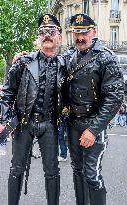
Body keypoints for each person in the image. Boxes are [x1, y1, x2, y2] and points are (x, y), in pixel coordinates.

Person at [0, 14, 66, 205]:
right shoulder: (23, 62)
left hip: (50, 124)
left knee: (52, 171)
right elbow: (7, 92)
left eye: (51, 31)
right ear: (39, 37)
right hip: (23, 123)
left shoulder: (65, 65)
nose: (47, 35)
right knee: (16, 168)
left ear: (59, 36)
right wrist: (2, 121)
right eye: (42, 32)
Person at [63, 14, 124, 205]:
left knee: (91, 173)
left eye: (84, 32)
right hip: (73, 123)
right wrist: (26, 56)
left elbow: (114, 97)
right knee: (77, 170)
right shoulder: (70, 56)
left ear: (94, 32)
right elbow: (50, 59)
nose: (80, 37)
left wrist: (93, 130)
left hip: (93, 124)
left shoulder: (106, 57)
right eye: (76, 33)